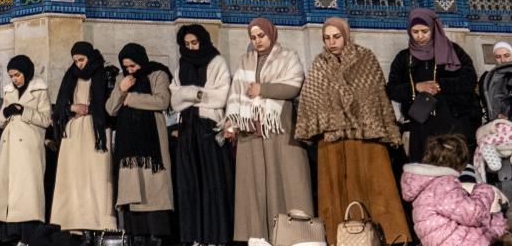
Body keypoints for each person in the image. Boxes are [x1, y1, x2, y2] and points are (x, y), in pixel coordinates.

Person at [296, 17, 410, 242]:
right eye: (327, 38)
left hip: (366, 137)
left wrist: (369, 119)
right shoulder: (319, 64)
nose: (332, 42)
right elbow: (310, 98)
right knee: (335, 192)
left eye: (336, 36)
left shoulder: (365, 58)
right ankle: (341, 238)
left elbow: (376, 95)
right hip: (332, 139)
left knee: (376, 188)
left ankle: (389, 237)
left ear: (346, 35)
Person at [224, 18, 311, 243]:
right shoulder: (245, 61)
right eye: (253, 37)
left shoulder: (288, 57)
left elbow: (294, 85)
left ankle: (291, 235)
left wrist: (262, 89)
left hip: (279, 129)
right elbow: (236, 93)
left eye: (261, 36)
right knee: (255, 187)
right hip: (251, 132)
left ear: (271, 34)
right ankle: (258, 237)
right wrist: (231, 123)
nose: (257, 41)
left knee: (284, 182)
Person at [387, 8, 480, 161]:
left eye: (425, 31)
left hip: (453, 121)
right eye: (415, 32)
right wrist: (417, 87)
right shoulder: (404, 58)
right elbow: (392, 89)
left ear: (433, 28)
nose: (420, 36)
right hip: (420, 124)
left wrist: (440, 85)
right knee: (425, 165)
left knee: (455, 164)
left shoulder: (453, 51)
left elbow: (469, 80)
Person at [169, 24, 233, 246]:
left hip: (209, 128)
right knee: (190, 183)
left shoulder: (217, 62)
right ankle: (194, 237)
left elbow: (221, 96)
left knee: (212, 182)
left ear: (203, 41)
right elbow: (175, 100)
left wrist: (190, 94)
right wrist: (197, 93)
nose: (190, 47)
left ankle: (216, 237)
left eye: (194, 43)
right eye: (186, 44)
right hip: (187, 128)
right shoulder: (182, 65)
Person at [106, 43, 174, 243]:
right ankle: (137, 235)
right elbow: (111, 109)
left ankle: (156, 235)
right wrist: (120, 90)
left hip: (152, 146)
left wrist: (131, 98)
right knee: (132, 190)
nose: (130, 70)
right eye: (126, 66)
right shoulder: (122, 79)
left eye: (133, 66)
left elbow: (162, 101)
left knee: (154, 190)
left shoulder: (158, 74)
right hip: (129, 147)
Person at [50, 42, 117, 235]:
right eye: (76, 60)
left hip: (96, 131)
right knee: (74, 177)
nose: (79, 64)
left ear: (90, 56)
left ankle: (100, 223)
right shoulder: (70, 76)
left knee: (97, 176)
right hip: (74, 131)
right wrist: (72, 107)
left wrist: (92, 109)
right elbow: (59, 106)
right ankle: (75, 223)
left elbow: (110, 105)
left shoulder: (104, 73)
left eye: (81, 59)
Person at [0, 55, 52, 245]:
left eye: (17, 75)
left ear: (26, 72)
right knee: (11, 192)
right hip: (9, 147)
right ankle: (12, 236)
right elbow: (0, 122)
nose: (14, 79)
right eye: (11, 76)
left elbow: (46, 119)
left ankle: (28, 237)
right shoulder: (8, 92)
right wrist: (6, 112)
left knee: (28, 193)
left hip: (29, 147)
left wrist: (24, 111)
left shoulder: (40, 90)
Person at [400, 133, 507, 246]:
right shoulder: (442, 185)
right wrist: (484, 190)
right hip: (460, 242)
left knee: (498, 224)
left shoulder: (425, 184)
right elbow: (473, 214)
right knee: (502, 226)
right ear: (459, 164)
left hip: (447, 240)